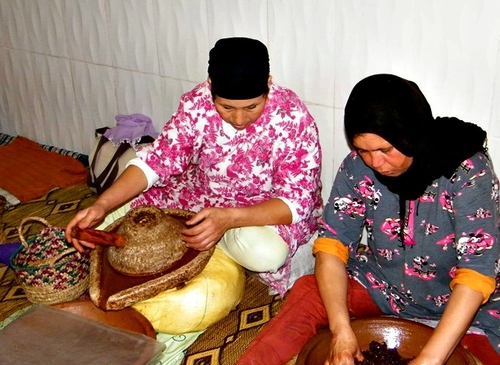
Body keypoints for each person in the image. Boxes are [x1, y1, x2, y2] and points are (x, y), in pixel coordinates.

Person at [144, 74, 500, 365]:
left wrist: (428, 363)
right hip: (384, 282)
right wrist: (343, 331)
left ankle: (435, 345)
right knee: (310, 292)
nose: (376, 162)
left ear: (412, 133)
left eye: (385, 149)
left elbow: (477, 269)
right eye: (364, 150)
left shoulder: (468, 171)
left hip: (466, 296)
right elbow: (331, 246)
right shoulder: (357, 168)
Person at [66, 37, 323, 296]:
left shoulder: (292, 118)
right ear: (210, 86)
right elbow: (157, 161)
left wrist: (229, 219)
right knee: (105, 223)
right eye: (227, 107)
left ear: (269, 83)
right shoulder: (196, 104)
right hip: (203, 196)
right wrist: (102, 204)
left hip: (262, 211)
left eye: (252, 107)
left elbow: (296, 202)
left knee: (266, 254)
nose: (239, 119)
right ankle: (206, 241)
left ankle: (204, 241)